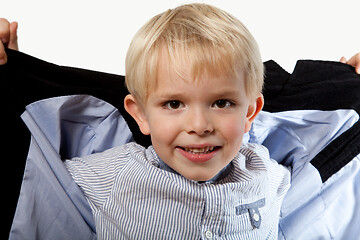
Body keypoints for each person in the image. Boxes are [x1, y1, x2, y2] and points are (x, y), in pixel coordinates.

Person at [1, 4, 360, 239]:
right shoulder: (110, 175)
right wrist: (13, 77)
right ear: (139, 113)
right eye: (174, 103)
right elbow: (38, 161)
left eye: (222, 102)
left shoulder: (269, 172)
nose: (200, 124)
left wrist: (344, 87)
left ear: (250, 111)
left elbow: (326, 164)